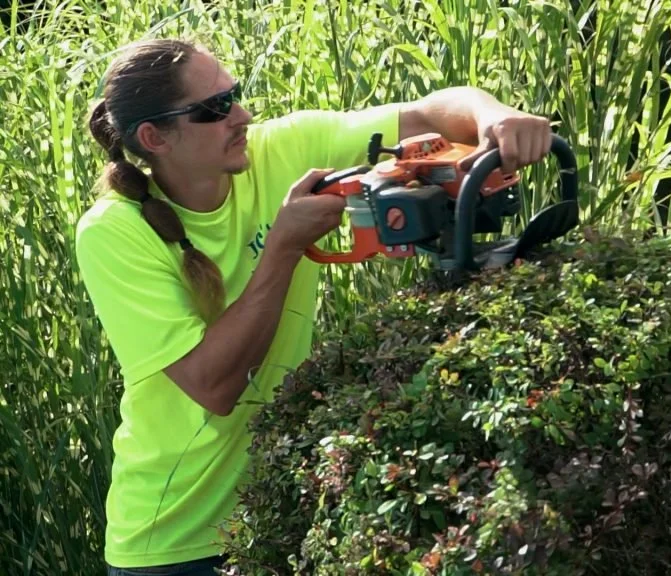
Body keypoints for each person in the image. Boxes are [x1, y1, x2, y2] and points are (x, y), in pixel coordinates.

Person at [76, 37, 554, 576]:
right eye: (216, 107)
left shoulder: (283, 149)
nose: (243, 115)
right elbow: (214, 387)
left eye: (236, 93)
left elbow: (432, 113)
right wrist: (282, 246)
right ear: (153, 137)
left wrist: (494, 115)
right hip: (177, 541)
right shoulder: (113, 232)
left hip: (281, 512)